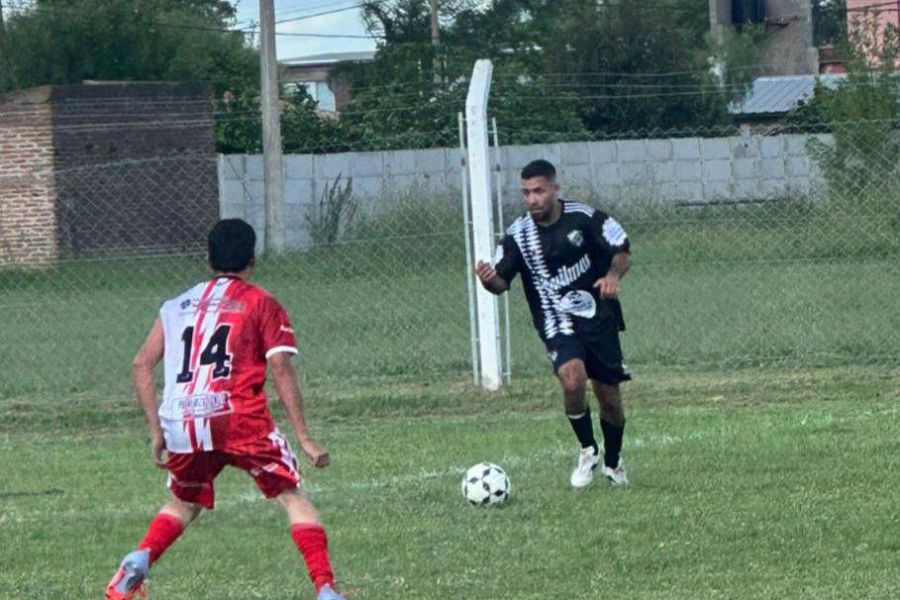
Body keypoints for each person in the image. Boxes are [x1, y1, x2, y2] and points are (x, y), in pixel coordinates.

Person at [105, 219, 345, 600]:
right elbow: (281, 367)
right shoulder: (262, 303)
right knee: (291, 494)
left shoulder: (175, 306)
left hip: (182, 420)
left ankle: (140, 558)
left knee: (184, 501)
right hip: (237, 417)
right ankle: (326, 588)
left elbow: (140, 365)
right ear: (253, 260)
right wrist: (304, 436)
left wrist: (157, 431)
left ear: (208, 260)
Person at [476, 159, 632, 489]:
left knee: (609, 399)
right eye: (526, 193)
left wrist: (612, 276)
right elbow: (500, 284)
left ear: (555, 189)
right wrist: (488, 280)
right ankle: (588, 449)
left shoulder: (584, 218)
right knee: (572, 378)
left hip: (598, 317)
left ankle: (613, 461)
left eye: (539, 191)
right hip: (555, 318)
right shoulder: (518, 236)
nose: (532, 199)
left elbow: (622, 250)